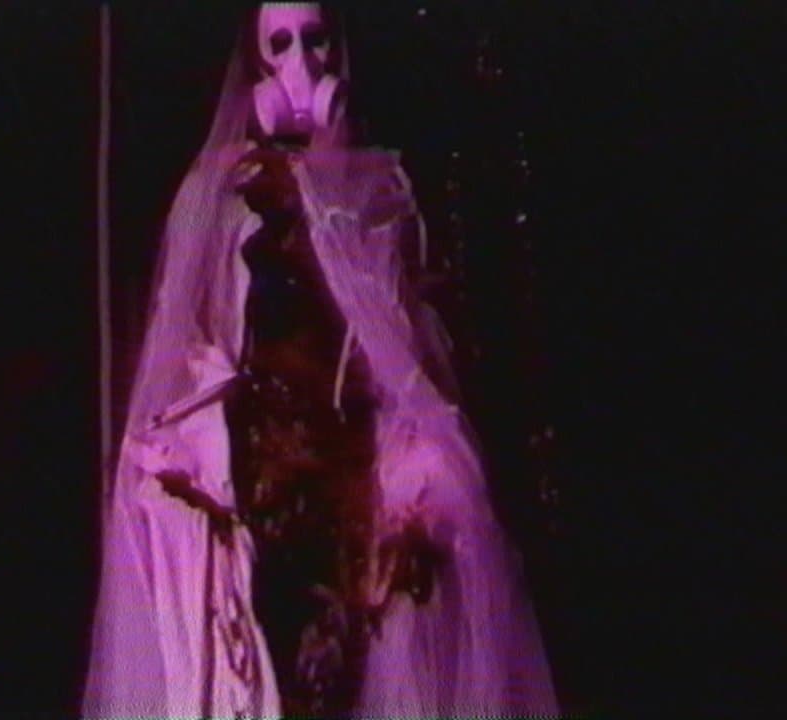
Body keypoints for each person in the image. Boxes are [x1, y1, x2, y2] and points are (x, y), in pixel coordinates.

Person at [82, 4, 558, 717]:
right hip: (262, 465)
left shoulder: (381, 187)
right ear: (255, 59)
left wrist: (334, 184)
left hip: (353, 464)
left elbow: (404, 334)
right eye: (279, 43)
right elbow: (191, 330)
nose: (301, 62)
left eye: (316, 40)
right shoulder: (220, 192)